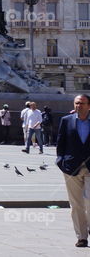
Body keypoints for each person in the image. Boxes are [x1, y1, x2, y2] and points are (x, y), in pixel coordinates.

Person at [55, 94, 90, 247]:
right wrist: (60, 160)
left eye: (82, 103)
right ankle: (81, 236)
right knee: (76, 204)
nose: (78, 106)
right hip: (71, 167)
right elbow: (60, 142)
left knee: (89, 201)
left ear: (89, 105)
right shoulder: (66, 120)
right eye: (76, 103)